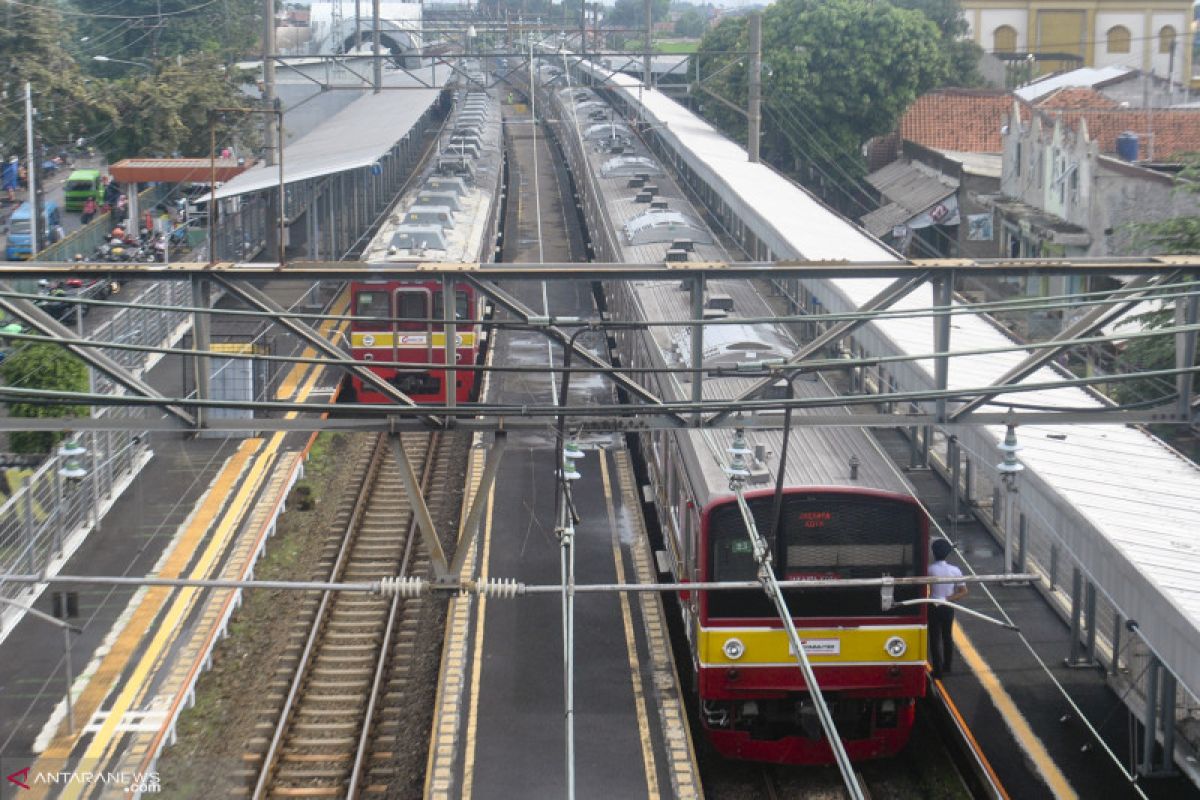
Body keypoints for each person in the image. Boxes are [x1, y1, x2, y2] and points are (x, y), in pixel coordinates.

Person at [928, 538, 968, 679]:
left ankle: (937, 671)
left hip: (933, 605)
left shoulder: (930, 570)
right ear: (948, 553)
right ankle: (947, 666)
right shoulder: (955, 570)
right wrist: (948, 599)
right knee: (947, 636)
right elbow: (963, 591)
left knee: (934, 638)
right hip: (948, 606)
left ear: (933, 553)